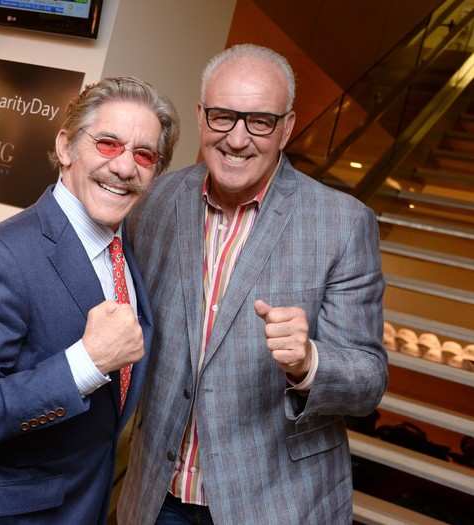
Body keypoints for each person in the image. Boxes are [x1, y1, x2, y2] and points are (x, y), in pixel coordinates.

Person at [117, 44, 386, 524]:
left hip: (274, 505)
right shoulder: (154, 201)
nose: (237, 139)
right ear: (201, 117)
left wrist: (309, 362)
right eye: (222, 117)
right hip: (156, 499)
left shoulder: (342, 223)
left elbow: (367, 383)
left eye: (260, 121)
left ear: (286, 128)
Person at [0, 76, 179, 525]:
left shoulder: (124, 255)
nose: (124, 167)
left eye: (144, 155)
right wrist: (86, 364)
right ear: (65, 147)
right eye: (108, 144)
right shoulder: (2, 254)